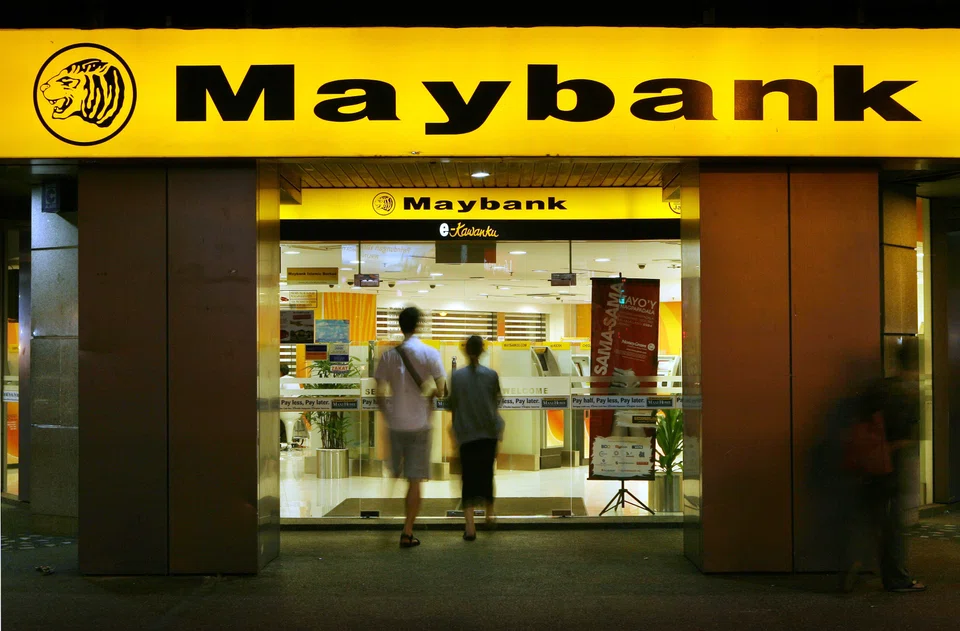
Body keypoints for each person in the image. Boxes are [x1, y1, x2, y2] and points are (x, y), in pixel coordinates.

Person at [838, 340, 925, 593]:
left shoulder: (878, 387)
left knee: (867, 519)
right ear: (916, 364)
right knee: (893, 526)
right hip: (891, 468)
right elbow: (907, 438)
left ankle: (853, 563)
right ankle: (897, 578)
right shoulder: (909, 394)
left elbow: (859, 421)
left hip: (867, 465)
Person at [375, 306, 445, 548]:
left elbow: (379, 393)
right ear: (419, 325)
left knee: (395, 472)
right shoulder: (430, 353)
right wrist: (428, 395)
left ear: (400, 325)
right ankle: (407, 531)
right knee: (415, 479)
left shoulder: (388, 355)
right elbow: (441, 390)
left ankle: (387, 510)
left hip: (396, 424)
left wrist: (389, 416)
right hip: (420, 424)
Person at [448, 335, 504, 541]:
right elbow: (497, 402)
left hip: (466, 435)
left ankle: (470, 527)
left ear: (465, 351)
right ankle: (489, 515)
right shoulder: (491, 375)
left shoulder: (456, 377)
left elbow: (452, 404)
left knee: (468, 479)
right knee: (487, 474)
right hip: (488, 433)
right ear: (482, 351)